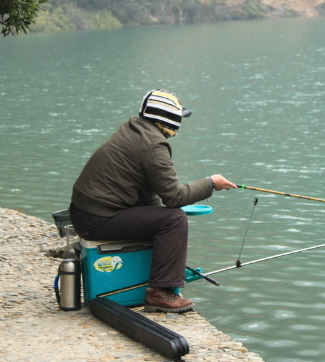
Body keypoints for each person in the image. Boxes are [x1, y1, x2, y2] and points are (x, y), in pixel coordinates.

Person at [69, 89, 237, 313]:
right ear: (167, 118)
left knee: (165, 218)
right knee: (174, 220)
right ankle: (160, 293)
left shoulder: (135, 129)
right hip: (98, 219)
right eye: (179, 117)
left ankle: (162, 281)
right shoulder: (154, 145)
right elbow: (175, 197)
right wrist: (211, 183)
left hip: (86, 212)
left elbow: (152, 192)